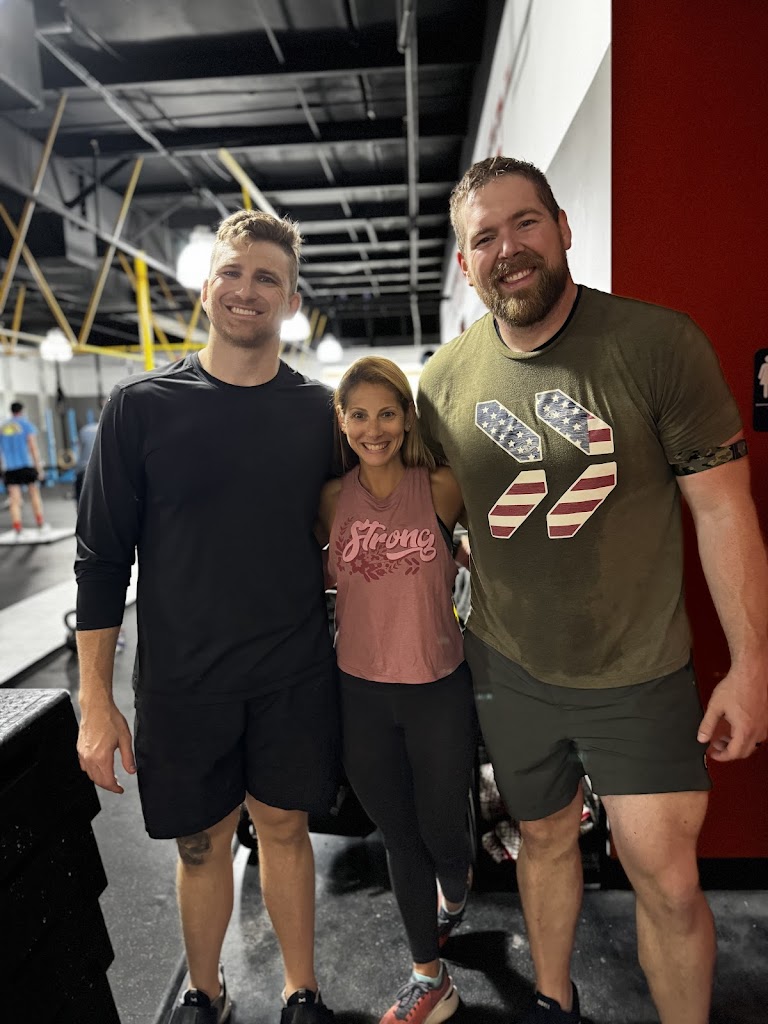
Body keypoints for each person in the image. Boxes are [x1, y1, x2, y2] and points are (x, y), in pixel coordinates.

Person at [416, 156, 768, 1024]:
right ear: (465, 264)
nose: (508, 249)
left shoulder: (657, 344)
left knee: (666, 879)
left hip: (638, 671)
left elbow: (724, 510)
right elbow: (433, 520)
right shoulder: (443, 381)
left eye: (525, 223)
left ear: (563, 227)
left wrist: (752, 664)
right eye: (485, 238)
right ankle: (553, 1000)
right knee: (541, 840)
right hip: (510, 667)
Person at [75, 209, 339, 1024]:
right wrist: (95, 699)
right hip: (184, 680)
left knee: (286, 828)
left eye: (267, 278)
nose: (246, 290)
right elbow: (101, 561)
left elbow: (358, 529)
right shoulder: (140, 408)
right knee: (200, 844)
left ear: (291, 300)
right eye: (232, 272)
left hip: (292, 672)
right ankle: (207, 991)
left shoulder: (321, 414)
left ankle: (301, 992)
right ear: (205, 287)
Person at [317, 357, 475, 1024]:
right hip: (360, 697)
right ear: (341, 420)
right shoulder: (331, 500)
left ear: (408, 418)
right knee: (400, 837)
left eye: (387, 413)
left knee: (442, 833)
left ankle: (458, 890)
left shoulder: (441, 487)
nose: (373, 428)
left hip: (437, 690)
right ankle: (428, 977)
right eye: (358, 414)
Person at [0, 400, 48, 536]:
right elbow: (33, 447)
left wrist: (2, 470)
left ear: (11, 411)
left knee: (14, 499)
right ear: (22, 411)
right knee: (34, 494)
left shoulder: (3, 427)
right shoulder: (26, 424)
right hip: (26, 465)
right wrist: (39, 468)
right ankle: (40, 523)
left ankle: (17, 527)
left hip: (10, 468)